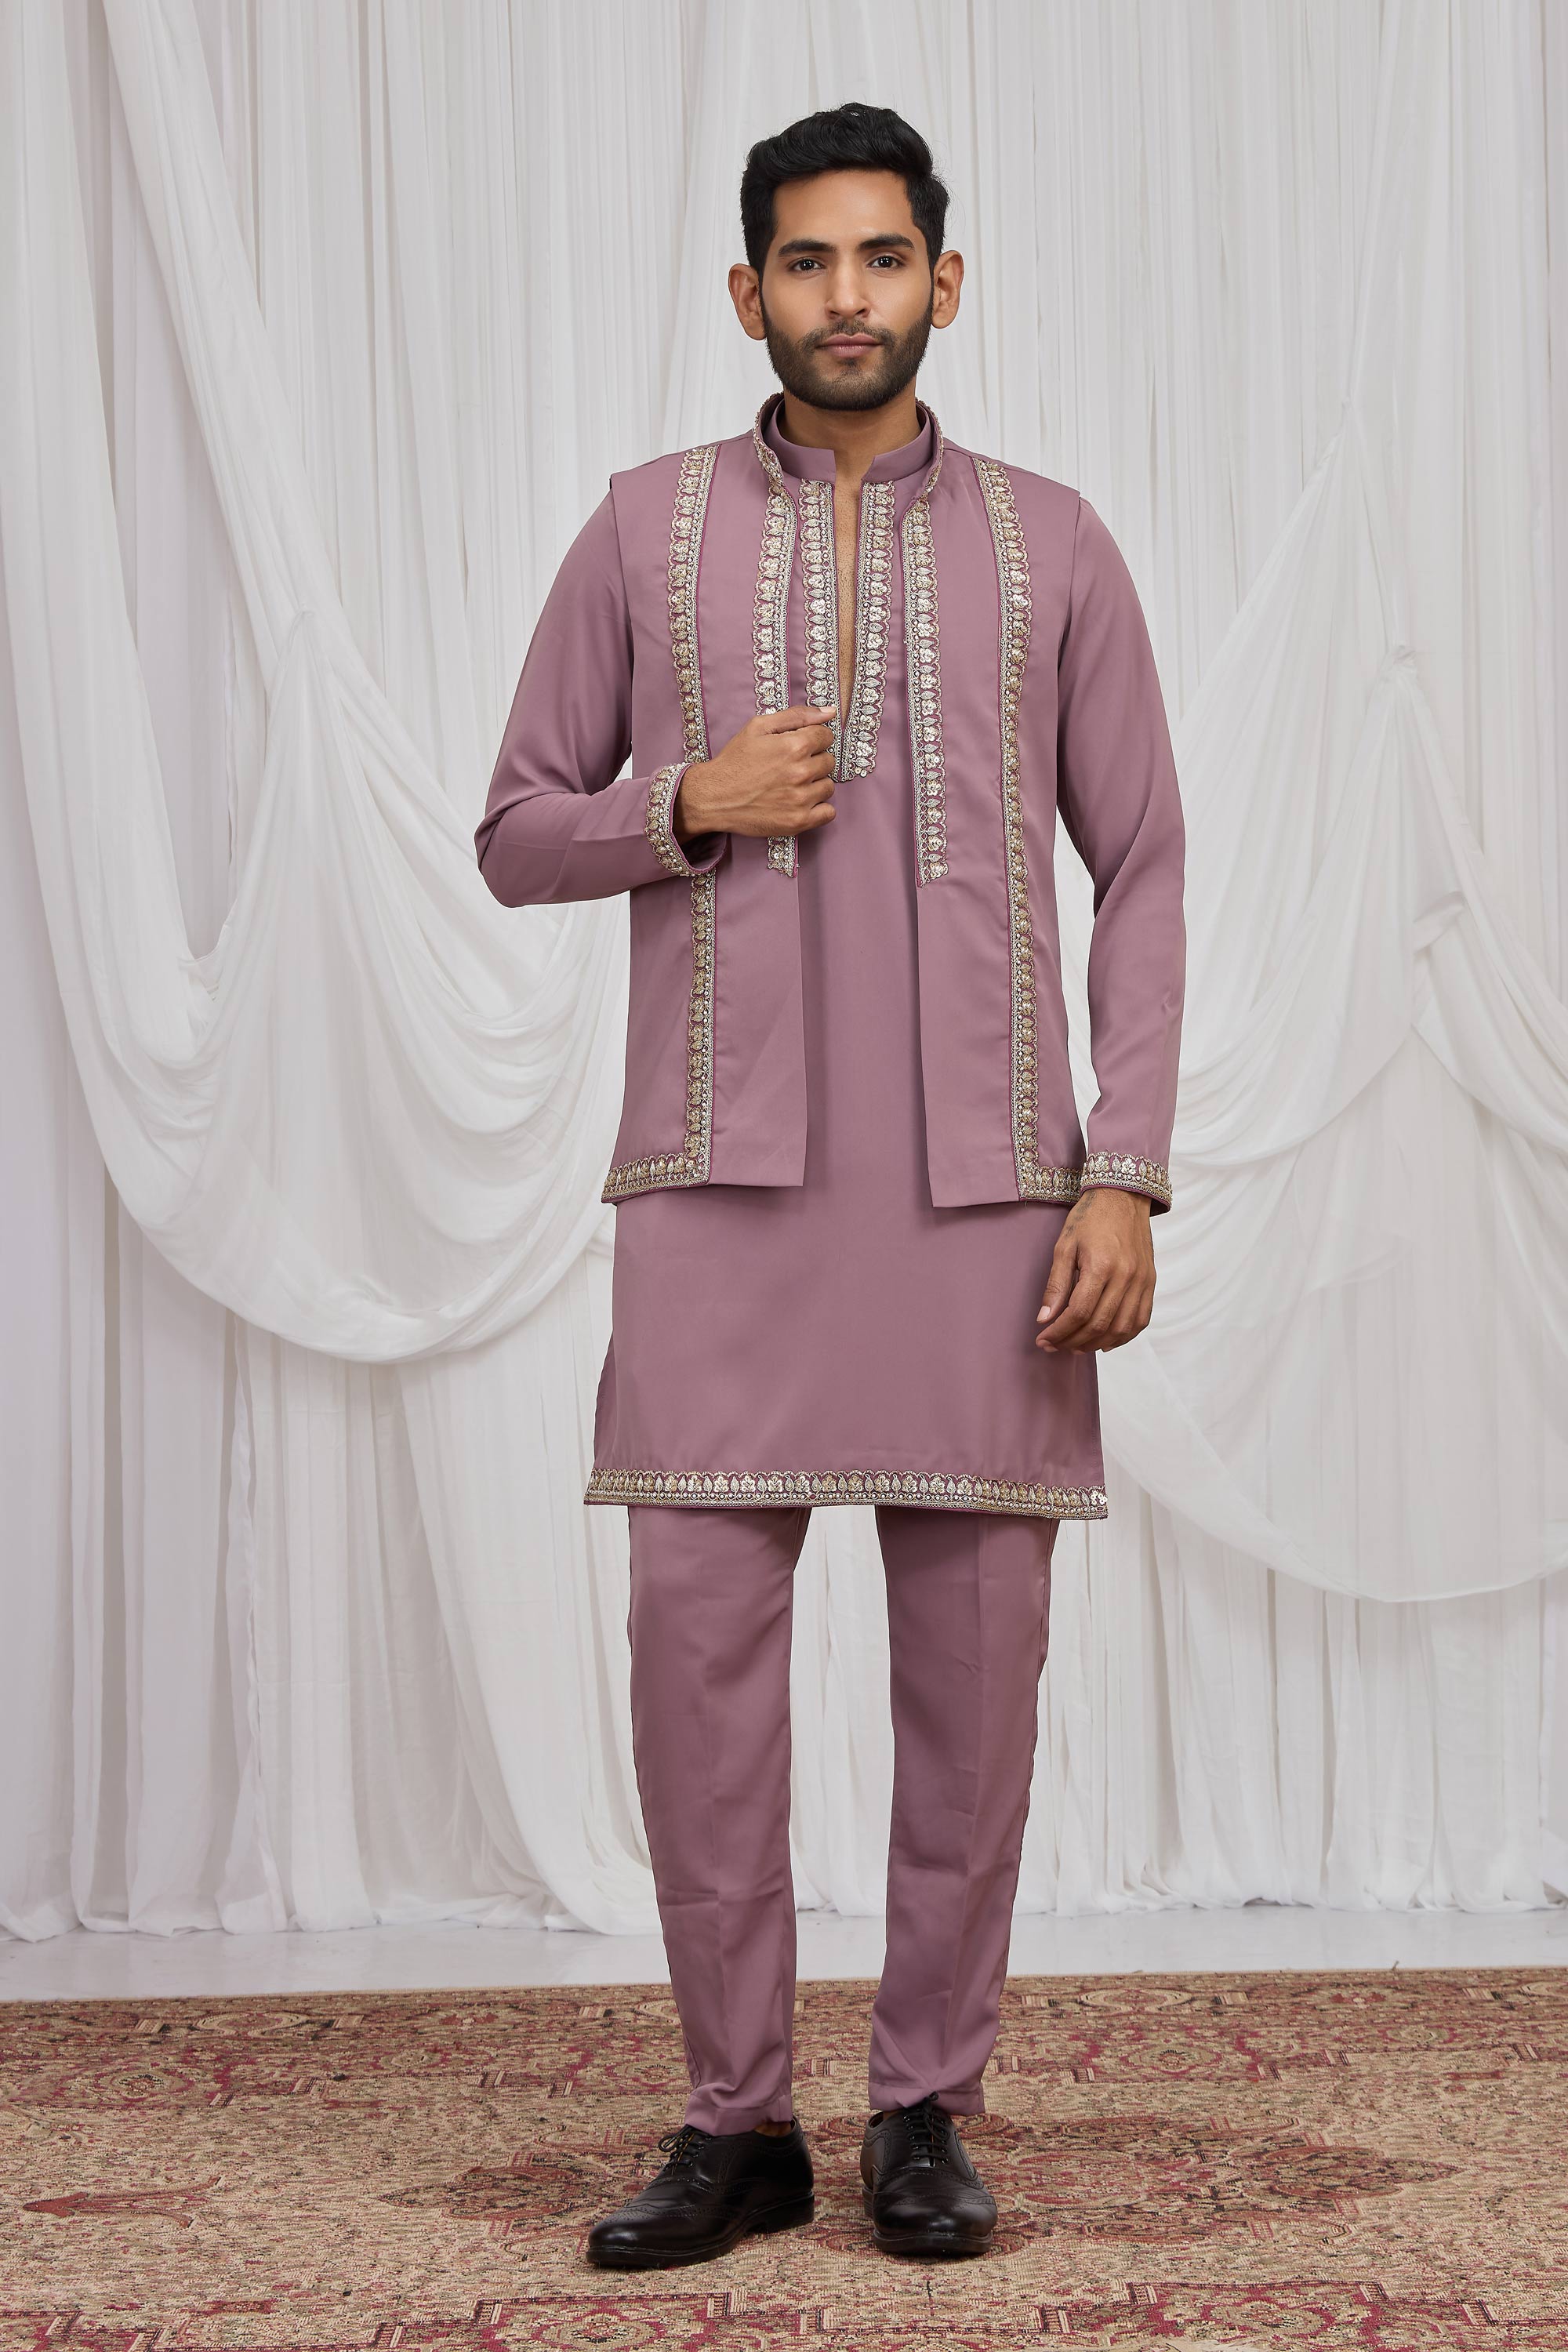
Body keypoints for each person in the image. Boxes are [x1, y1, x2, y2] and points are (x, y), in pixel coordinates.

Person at [475, 101, 1185, 2268]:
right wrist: (678, 800)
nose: (845, 297)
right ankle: (736, 2123)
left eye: (883, 259)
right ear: (747, 293)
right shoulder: (643, 532)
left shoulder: (1056, 547)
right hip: (721, 1192)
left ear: (943, 284)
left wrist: (1124, 1170)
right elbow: (513, 828)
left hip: (989, 1210)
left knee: (974, 1689)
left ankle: (924, 2113)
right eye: (806, 261)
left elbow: (1146, 863)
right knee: (698, 1673)